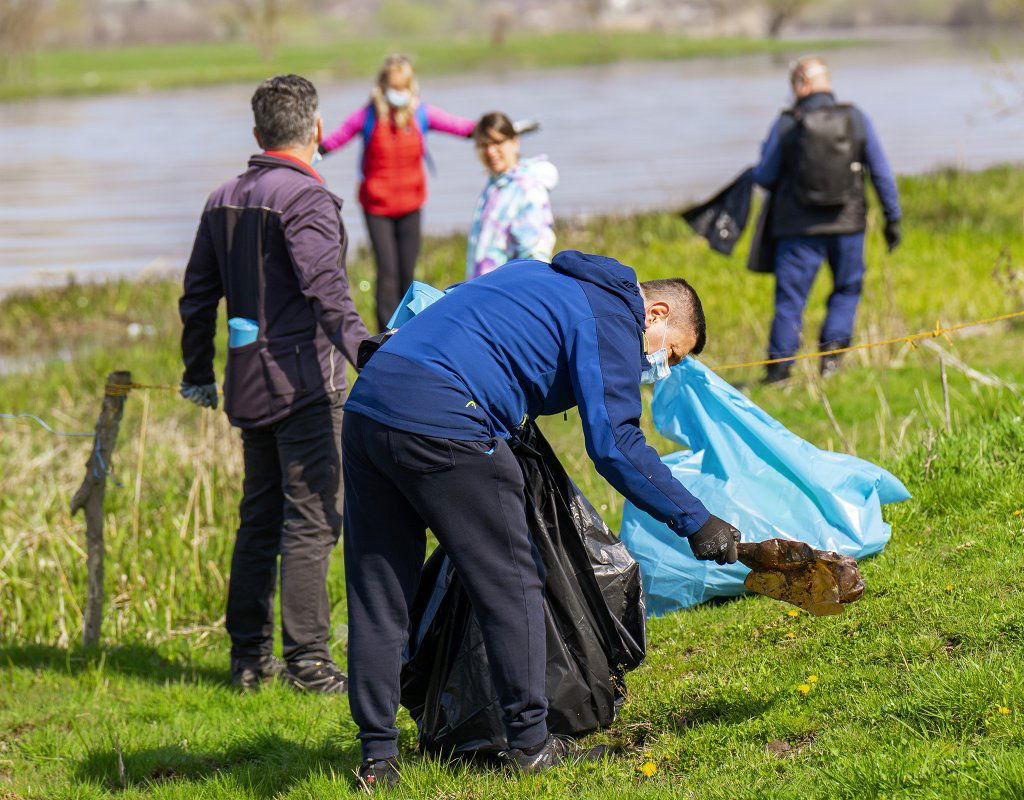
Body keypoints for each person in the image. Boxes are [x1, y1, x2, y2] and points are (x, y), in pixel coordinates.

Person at [340, 251, 742, 786]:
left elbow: (449, 311)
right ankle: (530, 744)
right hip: (445, 418)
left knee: (379, 588)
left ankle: (376, 760)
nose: (658, 366)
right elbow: (615, 445)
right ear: (657, 312)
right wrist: (696, 520)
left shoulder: (535, 273)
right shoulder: (613, 316)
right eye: (668, 352)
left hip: (369, 402)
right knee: (511, 580)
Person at [178, 74, 370, 693]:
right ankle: (309, 665)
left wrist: (196, 372)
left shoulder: (221, 198)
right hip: (309, 386)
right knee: (311, 520)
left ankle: (248, 661)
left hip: (249, 386)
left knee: (258, 519)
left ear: (258, 134)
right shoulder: (306, 199)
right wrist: (371, 353)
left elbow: (196, 299)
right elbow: (327, 291)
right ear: (316, 131)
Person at [749, 56, 902, 382]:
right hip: (847, 226)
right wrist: (893, 218)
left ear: (800, 84)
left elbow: (764, 176)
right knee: (846, 290)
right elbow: (881, 171)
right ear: (826, 82)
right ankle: (831, 363)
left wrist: (765, 154)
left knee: (790, 301)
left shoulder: (787, 122)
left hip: (797, 230)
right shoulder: (855, 117)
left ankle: (779, 373)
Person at [320, 54, 475, 330]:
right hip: (376, 207)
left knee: (407, 274)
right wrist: (305, 154)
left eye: (404, 87)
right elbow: (335, 139)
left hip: (411, 205)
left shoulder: (421, 115)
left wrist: (493, 130)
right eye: (394, 86)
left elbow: (460, 127)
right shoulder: (367, 116)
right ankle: (385, 336)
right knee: (388, 274)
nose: (399, 93)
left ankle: (409, 331)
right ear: (382, 85)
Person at [466, 112, 558, 280]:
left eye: (497, 142)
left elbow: (535, 258)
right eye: (483, 145)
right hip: (483, 291)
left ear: (515, 142)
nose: (491, 151)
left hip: (507, 294)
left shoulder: (528, 189)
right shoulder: (495, 185)